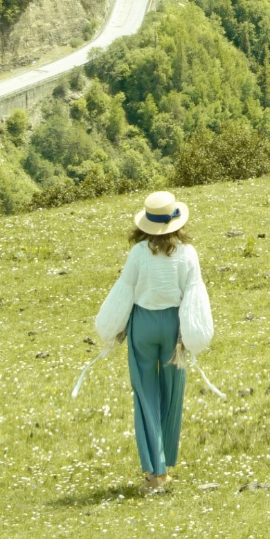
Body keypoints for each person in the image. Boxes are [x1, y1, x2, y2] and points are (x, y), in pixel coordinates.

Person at [94, 191, 214, 494]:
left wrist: (111, 328)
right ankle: (166, 464)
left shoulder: (138, 253)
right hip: (173, 328)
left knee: (145, 395)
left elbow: (125, 291)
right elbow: (194, 295)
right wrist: (193, 333)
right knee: (172, 392)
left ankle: (155, 472)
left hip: (144, 325)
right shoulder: (188, 253)